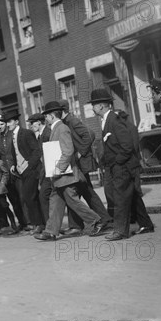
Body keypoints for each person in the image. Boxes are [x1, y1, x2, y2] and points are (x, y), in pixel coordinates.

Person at [35, 101, 104, 241]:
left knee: (72, 201)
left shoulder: (62, 129)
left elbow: (68, 151)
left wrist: (58, 168)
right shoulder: (57, 128)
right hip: (60, 176)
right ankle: (51, 231)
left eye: (46, 116)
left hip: (65, 175)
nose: (45, 119)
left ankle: (96, 220)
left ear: (52, 116)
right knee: (55, 201)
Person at [90, 89, 151, 241]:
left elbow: (127, 145)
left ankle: (121, 231)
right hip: (117, 165)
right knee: (132, 196)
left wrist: (118, 161)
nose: (92, 108)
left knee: (120, 198)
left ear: (101, 106)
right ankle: (146, 224)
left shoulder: (114, 120)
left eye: (94, 105)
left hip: (122, 166)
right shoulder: (107, 120)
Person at [57, 99, 112, 235]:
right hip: (76, 164)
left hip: (81, 163)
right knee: (77, 191)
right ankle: (78, 225)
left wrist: (80, 152)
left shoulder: (72, 121)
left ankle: (103, 220)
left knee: (85, 191)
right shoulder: (65, 122)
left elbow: (90, 135)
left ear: (62, 111)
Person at [5, 110, 44, 234]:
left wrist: (29, 165)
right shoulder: (12, 136)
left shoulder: (26, 133)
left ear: (16, 122)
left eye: (10, 121)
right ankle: (39, 223)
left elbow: (36, 151)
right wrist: (13, 165)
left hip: (30, 170)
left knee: (29, 197)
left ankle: (38, 224)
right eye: (7, 122)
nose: (7, 124)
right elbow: (13, 153)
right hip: (21, 171)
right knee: (29, 197)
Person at [0, 113, 27, 234]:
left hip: (17, 171)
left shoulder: (12, 135)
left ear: (6, 124)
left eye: (2, 124)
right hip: (6, 174)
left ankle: (29, 222)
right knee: (13, 200)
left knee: (22, 197)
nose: (0, 126)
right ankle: (21, 224)